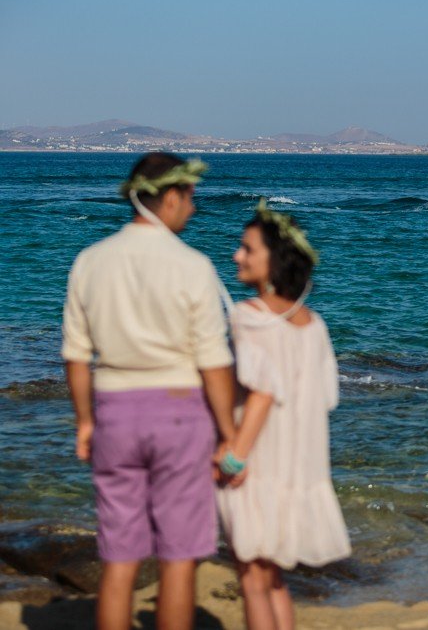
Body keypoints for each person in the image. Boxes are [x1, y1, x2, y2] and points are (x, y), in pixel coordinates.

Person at [62, 153, 236, 630]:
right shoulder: (193, 265)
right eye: (191, 198)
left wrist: (85, 423)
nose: (194, 209)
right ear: (172, 197)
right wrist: (228, 434)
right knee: (178, 558)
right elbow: (214, 362)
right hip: (179, 413)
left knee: (119, 558)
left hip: (115, 413)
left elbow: (76, 356)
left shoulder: (90, 261)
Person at [216, 198, 350, 630]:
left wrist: (234, 457)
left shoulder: (248, 317)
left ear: (273, 260)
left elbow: (261, 394)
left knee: (253, 581)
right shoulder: (314, 325)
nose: (236, 256)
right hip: (299, 471)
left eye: (247, 248)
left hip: (257, 464)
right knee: (273, 580)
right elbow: (325, 398)